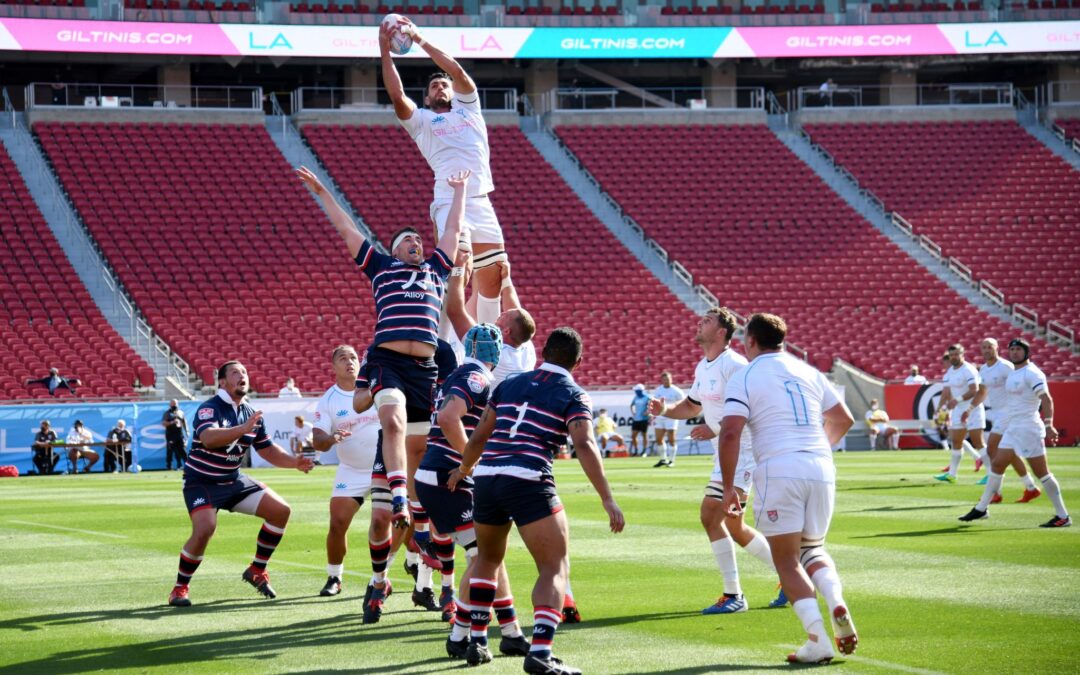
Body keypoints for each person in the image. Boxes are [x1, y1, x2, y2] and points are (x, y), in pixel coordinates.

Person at [447, 327, 625, 673]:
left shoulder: (508, 383)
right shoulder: (574, 393)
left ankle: (478, 641)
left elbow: (481, 434)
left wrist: (465, 468)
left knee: (487, 558)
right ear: (578, 360)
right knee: (554, 566)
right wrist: (607, 498)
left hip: (488, 476)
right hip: (528, 478)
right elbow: (585, 445)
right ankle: (541, 652)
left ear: (543, 351)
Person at [297, 165, 465, 531]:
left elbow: (452, 230)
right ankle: (399, 497)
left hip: (426, 368)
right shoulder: (381, 267)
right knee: (391, 420)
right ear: (393, 249)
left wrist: (459, 191)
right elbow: (347, 229)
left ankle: (418, 522)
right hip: (388, 361)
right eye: (408, 239)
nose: (416, 243)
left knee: (418, 444)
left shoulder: (436, 269)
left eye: (418, 239)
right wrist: (322, 192)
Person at [719, 313, 857, 664]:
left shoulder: (745, 375)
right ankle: (835, 599)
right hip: (821, 466)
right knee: (813, 548)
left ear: (750, 341)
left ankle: (818, 638)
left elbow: (731, 431)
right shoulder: (808, 370)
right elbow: (843, 419)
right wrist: (816, 449)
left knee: (785, 559)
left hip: (780, 468)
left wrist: (730, 486)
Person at [648, 307, 784, 615]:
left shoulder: (734, 365)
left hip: (743, 453)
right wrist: (665, 409)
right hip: (727, 453)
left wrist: (718, 427)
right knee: (735, 527)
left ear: (722, 332)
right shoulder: (704, 366)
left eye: (707, 321)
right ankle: (790, 576)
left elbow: (752, 408)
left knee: (711, 516)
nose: (700, 323)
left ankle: (733, 594)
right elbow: (692, 405)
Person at [380, 15, 510, 326]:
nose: (440, 86)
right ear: (426, 97)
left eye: (444, 84)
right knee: (458, 261)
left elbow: (458, 71)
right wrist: (385, 50)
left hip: (481, 199)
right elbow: (397, 97)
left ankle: (489, 345)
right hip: (449, 197)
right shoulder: (423, 120)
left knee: (494, 273)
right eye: (434, 85)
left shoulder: (470, 107)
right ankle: (447, 340)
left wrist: (420, 39)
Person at [415, 324, 532, 660]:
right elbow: (450, 417)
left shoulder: (464, 372)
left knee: (488, 554)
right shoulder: (476, 376)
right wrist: (469, 466)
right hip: (446, 474)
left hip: (439, 473)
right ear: (495, 352)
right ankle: (461, 633)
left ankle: (510, 629)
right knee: (483, 558)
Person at [168, 360, 314, 607]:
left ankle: (257, 569)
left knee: (281, 511)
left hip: (232, 480)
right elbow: (209, 438)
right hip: (202, 482)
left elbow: (267, 450)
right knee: (205, 529)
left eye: (244, 372)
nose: (242, 375)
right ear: (222, 382)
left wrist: (294, 462)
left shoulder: (250, 411)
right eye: (235, 372)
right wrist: (243, 428)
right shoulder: (209, 408)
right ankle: (180, 588)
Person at [310, 345, 393, 602]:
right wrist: (332, 437)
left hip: (386, 466)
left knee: (386, 522)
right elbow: (317, 439)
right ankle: (335, 576)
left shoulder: (374, 388)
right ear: (333, 367)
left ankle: (391, 575)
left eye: (353, 357)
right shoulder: (329, 400)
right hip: (352, 471)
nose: (349, 362)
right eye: (342, 358)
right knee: (337, 522)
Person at [959, 339, 1070, 527]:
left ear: (1027, 352)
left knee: (1042, 473)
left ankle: (1063, 516)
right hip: (1012, 426)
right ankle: (981, 508)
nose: (1015, 352)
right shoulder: (1014, 373)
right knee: (997, 464)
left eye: (1019, 349)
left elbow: (1047, 399)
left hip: (1028, 427)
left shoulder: (1032, 373)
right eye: (1012, 349)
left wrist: (1049, 424)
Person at [444, 250, 537, 388]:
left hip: (478, 402)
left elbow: (455, 311)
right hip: (503, 405)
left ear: (506, 331)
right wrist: (506, 279)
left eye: (505, 315)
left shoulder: (490, 347)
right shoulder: (526, 350)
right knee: (478, 295)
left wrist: (458, 269)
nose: (502, 313)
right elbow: (517, 313)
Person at [968, 338, 1041, 503]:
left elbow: (1021, 384)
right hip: (998, 414)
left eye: (990, 347)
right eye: (984, 347)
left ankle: (997, 492)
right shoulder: (984, 369)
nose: (986, 350)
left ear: (997, 348)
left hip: (1009, 413)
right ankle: (1030, 487)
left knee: (993, 449)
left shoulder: (1006, 366)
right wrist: (970, 408)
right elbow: (982, 391)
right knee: (1008, 452)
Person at [934, 344, 986, 483]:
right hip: (958, 410)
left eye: (957, 354)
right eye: (952, 355)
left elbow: (974, 390)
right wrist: (939, 408)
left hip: (972, 409)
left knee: (978, 442)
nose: (954, 357)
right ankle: (952, 475)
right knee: (956, 441)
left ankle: (991, 474)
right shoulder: (949, 372)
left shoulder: (968, 369)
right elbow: (945, 392)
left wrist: (957, 400)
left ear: (963, 354)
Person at [650, 371, 684, 467]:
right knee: (659, 439)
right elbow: (654, 402)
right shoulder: (658, 390)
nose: (666, 381)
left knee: (671, 439)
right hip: (660, 417)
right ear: (662, 380)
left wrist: (678, 411)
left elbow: (683, 402)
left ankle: (672, 460)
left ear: (671, 379)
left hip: (672, 417)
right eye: (664, 379)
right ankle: (663, 459)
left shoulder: (676, 391)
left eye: (668, 379)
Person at [162, 399, 188, 470]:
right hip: (170, 434)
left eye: (175, 404)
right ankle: (169, 466)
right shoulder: (167, 413)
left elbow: (184, 423)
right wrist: (172, 422)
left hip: (179, 433)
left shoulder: (181, 412)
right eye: (172, 404)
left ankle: (187, 465)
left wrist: (187, 432)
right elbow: (163, 423)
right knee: (170, 450)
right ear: (170, 405)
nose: (174, 405)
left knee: (182, 449)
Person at [629, 384, 651, 457]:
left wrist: (647, 412)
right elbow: (631, 405)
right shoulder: (636, 397)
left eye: (636, 390)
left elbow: (651, 406)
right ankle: (636, 450)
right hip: (636, 419)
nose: (635, 392)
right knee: (633, 435)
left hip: (644, 419)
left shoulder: (647, 397)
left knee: (644, 435)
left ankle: (644, 451)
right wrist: (633, 412)